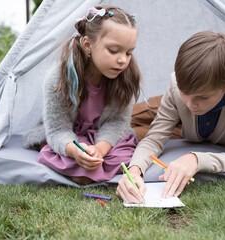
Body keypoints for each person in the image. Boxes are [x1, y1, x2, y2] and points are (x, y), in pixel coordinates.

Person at [116, 31, 225, 203]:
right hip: (170, 108)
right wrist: (134, 171)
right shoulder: (177, 88)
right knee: (122, 119)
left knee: (128, 132)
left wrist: (197, 159)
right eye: (185, 93)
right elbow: (154, 139)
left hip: (185, 129)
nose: (190, 105)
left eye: (202, 97)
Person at [23, 5, 141, 185]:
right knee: (69, 159)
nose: (122, 60)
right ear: (88, 44)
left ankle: (87, 159)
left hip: (100, 134)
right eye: (113, 50)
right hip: (69, 134)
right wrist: (75, 151)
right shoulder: (59, 78)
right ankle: (65, 155)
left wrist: (100, 149)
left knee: (124, 154)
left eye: (128, 53)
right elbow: (58, 129)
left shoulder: (125, 77)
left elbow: (117, 122)